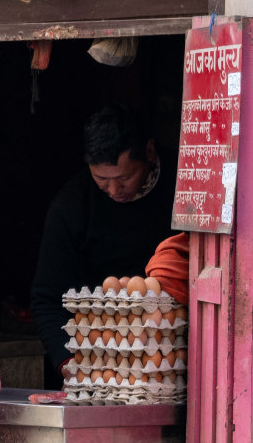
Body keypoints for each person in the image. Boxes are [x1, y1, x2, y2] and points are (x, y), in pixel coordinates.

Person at [30, 105, 176, 386]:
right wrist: (70, 365)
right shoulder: (72, 206)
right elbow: (47, 298)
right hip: (100, 354)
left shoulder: (185, 184)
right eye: (102, 180)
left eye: (124, 178)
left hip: (172, 346)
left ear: (148, 151)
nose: (114, 190)